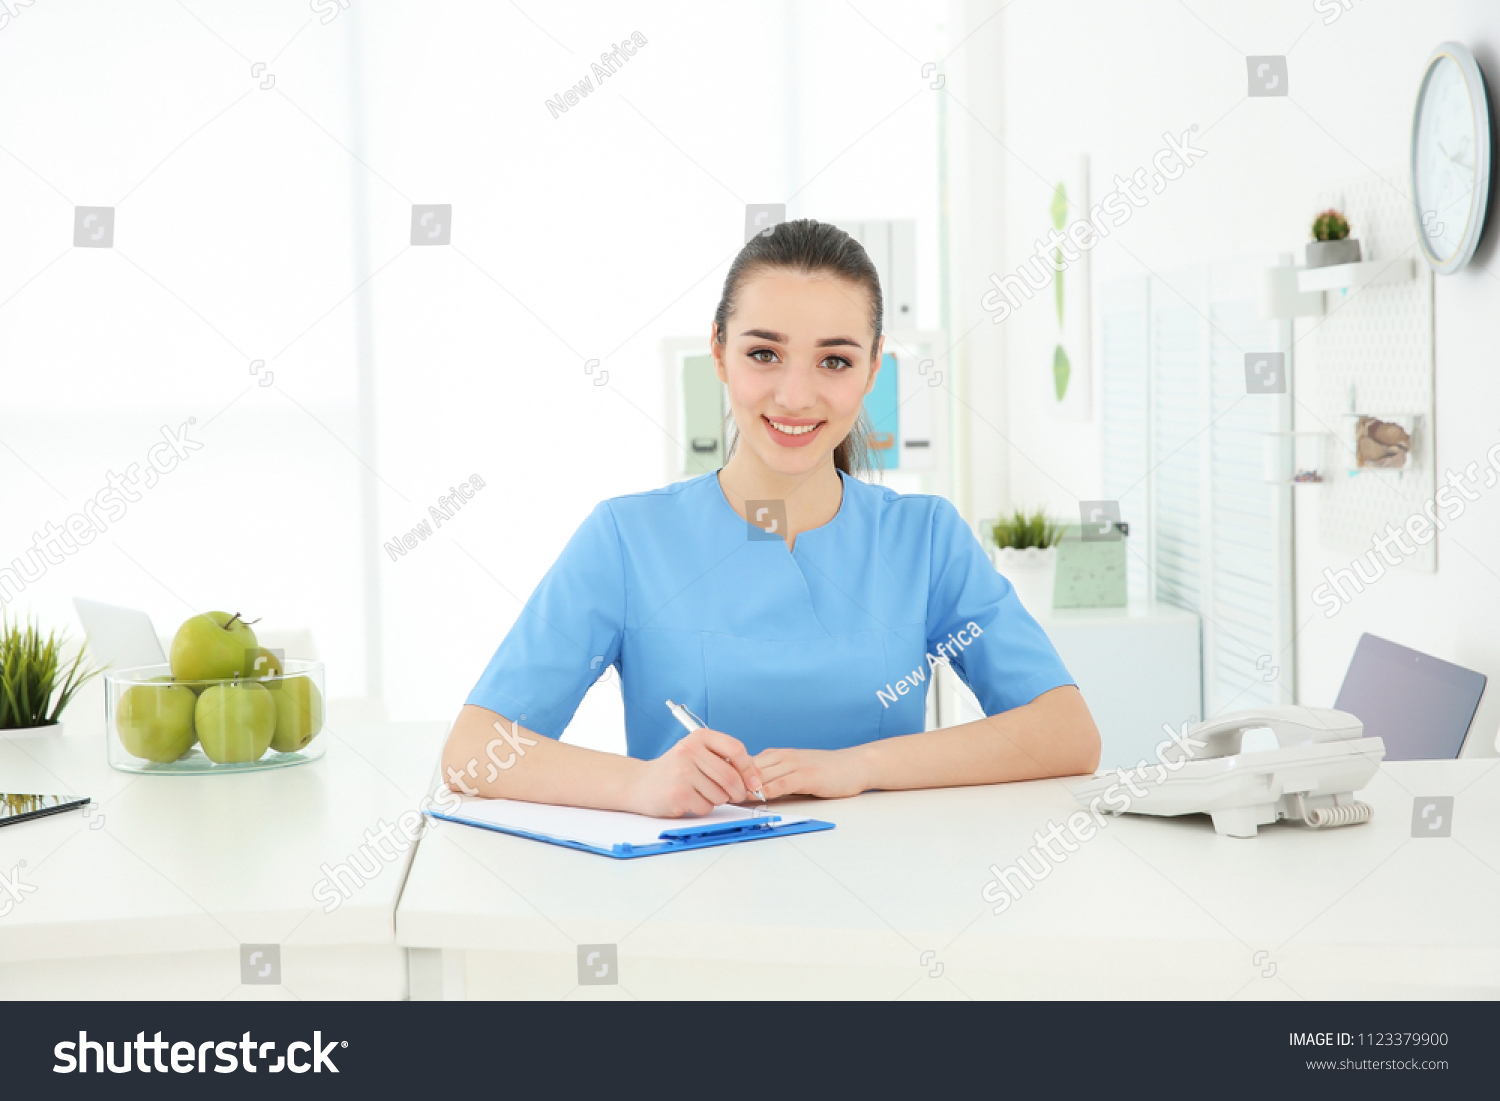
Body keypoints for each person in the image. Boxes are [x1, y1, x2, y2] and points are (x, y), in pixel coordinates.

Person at [441, 219, 1099, 816]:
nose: (795, 394)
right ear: (719, 352)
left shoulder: (924, 538)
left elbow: (1066, 731)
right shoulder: (627, 539)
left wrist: (860, 766)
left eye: (835, 360)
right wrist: (637, 784)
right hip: (688, 902)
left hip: (894, 900)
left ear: (873, 369)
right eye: (764, 353)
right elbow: (473, 750)